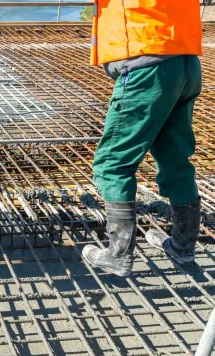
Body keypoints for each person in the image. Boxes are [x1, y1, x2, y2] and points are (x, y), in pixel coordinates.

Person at [82, 0, 203, 276]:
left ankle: (118, 255)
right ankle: (183, 248)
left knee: (113, 163)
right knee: (176, 160)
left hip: (147, 62)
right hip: (184, 62)